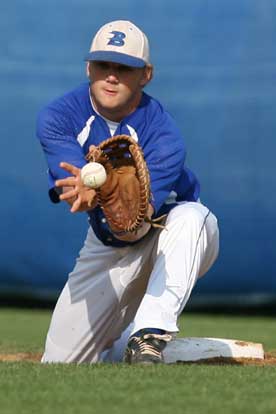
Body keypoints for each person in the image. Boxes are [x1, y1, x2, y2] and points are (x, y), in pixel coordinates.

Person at [36, 20, 219, 364]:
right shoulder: (58, 117)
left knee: (193, 217)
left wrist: (102, 191)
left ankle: (150, 333)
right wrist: (84, 190)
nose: (111, 75)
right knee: (60, 365)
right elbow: (69, 174)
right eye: (104, 65)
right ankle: (134, 350)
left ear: (146, 74)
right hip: (106, 246)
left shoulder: (164, 135)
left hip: (168, 236)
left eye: (124, 68)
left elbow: (136, 223)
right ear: (89, 67)